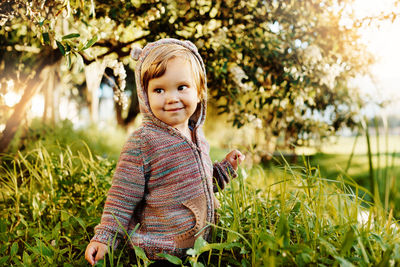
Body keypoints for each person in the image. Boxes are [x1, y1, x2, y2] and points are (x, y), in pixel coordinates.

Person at [85, 38, 245, 265]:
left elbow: (202, 185)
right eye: (159, 90)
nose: (171, 98)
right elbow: (122, 197)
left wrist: (226, 168)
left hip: (200, 249)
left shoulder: (196, 135)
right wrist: (106, 236)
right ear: (145, 96)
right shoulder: (144, 141)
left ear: (199, 91)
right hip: (161, 252)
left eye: (181, 87)